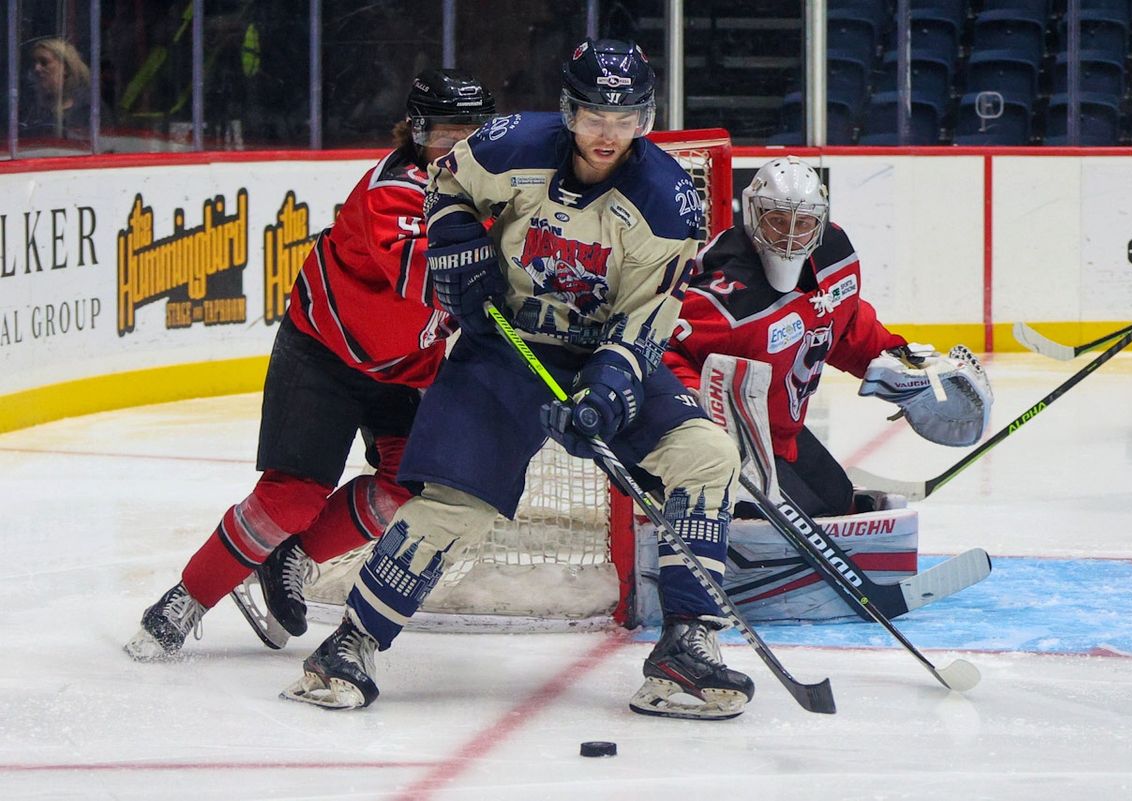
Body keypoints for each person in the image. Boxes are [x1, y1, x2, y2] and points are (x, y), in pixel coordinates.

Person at [281, 38, 752, 721]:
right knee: (457, 506)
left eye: (624, 119)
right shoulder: (509, 144)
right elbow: (445, 183)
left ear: (646, 118)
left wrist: (609, 391)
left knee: (706, 454)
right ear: (569, 109)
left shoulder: (669, 200)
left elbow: (648, 320)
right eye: (593, 115)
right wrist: (456, 245)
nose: (607, 134)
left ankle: (687, 645)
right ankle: (349, 646)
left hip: (599, 356)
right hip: (505, 349)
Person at [124, 68, 497, 660]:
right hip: (324, 352)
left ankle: (293, 556)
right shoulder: (394, 189)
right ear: (418, 131)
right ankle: (184, 599)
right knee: (290, 498)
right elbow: (427, 275)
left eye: (471, 133)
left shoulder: (493, 191)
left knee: (409, 489)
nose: (458, 146)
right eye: (446, 133)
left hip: (402, 369)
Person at [664, 156, 991, 518]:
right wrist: (703, 421)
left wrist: (895, 358)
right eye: (777, 221)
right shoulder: (724, 293)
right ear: (754, 217)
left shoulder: (833, 251)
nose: (790, 235)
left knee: (839, 503)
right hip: (733, 445)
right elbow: (662, 347)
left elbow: (845, 324)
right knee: (794, 527)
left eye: (802, 223)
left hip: (782, 433)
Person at [21, 37, 94, 141]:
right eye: (35, 63)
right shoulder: (27, 109)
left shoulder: (90, 109)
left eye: (44, 62)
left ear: (66, 68)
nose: (36, 68)